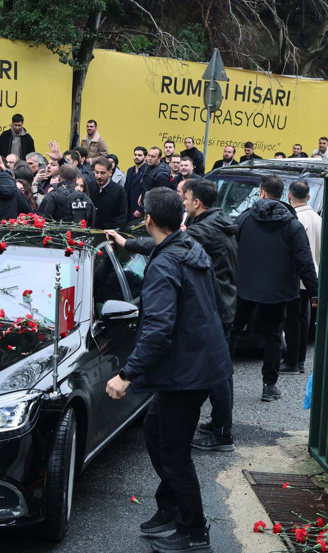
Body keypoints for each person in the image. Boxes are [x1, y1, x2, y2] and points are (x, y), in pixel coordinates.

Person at [106, 187, 231, 553]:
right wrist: (127, 244)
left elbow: (158, 330)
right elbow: (159, 245)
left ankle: (194, 532)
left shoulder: (165, 264)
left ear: (147, 219)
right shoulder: (186, 244)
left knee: (174, 451)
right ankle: (171, 507)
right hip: (199, 362)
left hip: (188, 369)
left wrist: (126, 375)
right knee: (156, 430)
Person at [232, 175, 318, 402]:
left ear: (261, 192)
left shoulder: (245, 219)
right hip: (277, 291)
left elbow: (231, 248)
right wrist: (316, 292)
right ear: (283, 194)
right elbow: (305, 263)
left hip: (245, 287)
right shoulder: (292, 225)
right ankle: (269, 386)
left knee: (233, 332)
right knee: (272, 337)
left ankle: (220, 377)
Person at [175, 180, 239, 452]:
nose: (184, 203)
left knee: (218, 374)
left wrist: (127, 243)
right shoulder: (219, 220)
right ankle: (218, 424)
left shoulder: (205, 229)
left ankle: (223, 433)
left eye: (186, 198)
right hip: (224, 300)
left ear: (197, 202)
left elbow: (171, 245)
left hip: (217, 305)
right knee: (220, 370)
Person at [281, 180, 321, 374]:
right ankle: (301, 360)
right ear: (308, 196)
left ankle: (292, 360)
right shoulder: (318, 218)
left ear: (289, 196)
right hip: (313, 275)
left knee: (292, 320)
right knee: (304, 320)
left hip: (297, 276)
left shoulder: (294, 219)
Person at [88, 157, 127, 230]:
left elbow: (121, 217)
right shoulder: (89, 187)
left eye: (102, 173)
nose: (99, 176)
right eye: (96, 172)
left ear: (110, 173)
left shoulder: (119, 191)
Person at [126, 147, 147, 221]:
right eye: (135, 155)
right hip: (128, 208)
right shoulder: (130, 170)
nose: (137, 157)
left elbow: (146, 191)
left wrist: (140, 208)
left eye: (139, 155)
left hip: (139, 209)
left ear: (145, 157)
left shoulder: (147, 170)